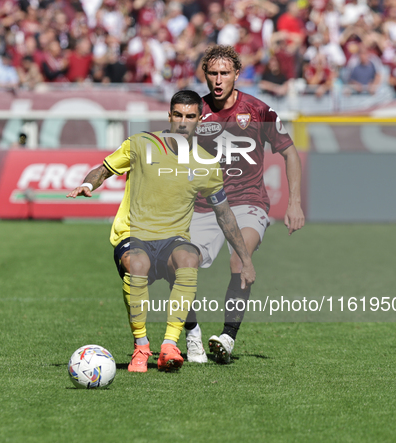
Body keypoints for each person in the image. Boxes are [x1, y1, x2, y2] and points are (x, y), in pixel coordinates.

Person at [67, 90, 256, 373]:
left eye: (190, 116)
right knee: (138, 264)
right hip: (133, 235)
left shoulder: (206, 163)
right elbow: (104, 169)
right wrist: (89, 185)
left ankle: (169, 346)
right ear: (169, 116)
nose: (182, 122)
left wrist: (245, 258)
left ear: (200, 120)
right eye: (177, 115)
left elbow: (225, 214)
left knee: (189, 258)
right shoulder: (140, 144)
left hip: (172, 240)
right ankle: (141, 347)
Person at [184, 45, 305, 364]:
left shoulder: (258, 110)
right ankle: (193, 336)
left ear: (237, 74)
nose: (218, 79)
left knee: (240, 258)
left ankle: (227, 337)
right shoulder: (194, 111)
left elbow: (290, 152)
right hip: (204, 205)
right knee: (181, 265)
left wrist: (294, 203)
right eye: (212, 73)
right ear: (205, 75)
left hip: (247, 201)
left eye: (225, 73)